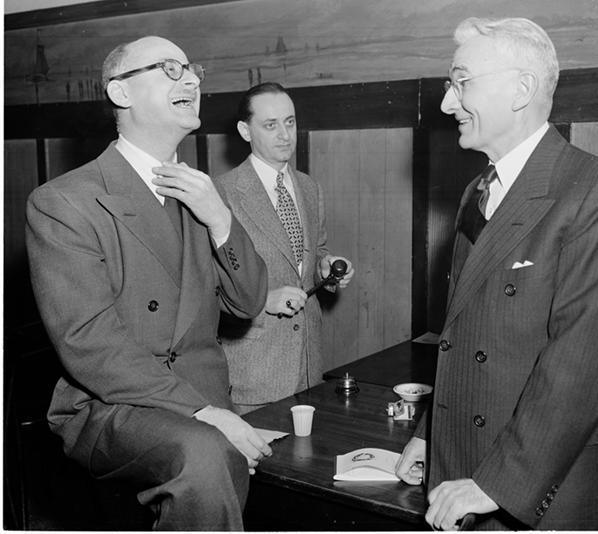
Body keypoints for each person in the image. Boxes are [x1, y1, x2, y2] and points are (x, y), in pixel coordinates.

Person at [395, 18, 598, 530]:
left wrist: (498, 483)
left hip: (552, 487)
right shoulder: (478, 191)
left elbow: (579, 364)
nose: (446, 103)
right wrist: (430, 431)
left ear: (521, 89)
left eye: (461, 82)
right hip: (468, 464)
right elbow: (464, 335)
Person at [26, 36, 272, 531]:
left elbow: (248, 303)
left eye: (192, 69)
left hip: (202, 398)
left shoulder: (202, 193)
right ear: (121, 93)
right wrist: (205, 412)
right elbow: (90, 344)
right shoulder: (65, 201)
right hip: (111, 405)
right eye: (170, 68)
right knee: (206, 454)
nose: (192, 79)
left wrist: (221, 219)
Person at [216, 82, 354, 415]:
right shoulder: (221, 193)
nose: (284, 135)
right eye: (270, 125)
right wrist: (263, 300)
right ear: (245, 131)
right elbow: (205, 283)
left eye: (289, 122)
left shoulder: (308, 187)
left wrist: (325, 267)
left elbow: (312, 254)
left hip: (308, 367)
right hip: (254, 372)